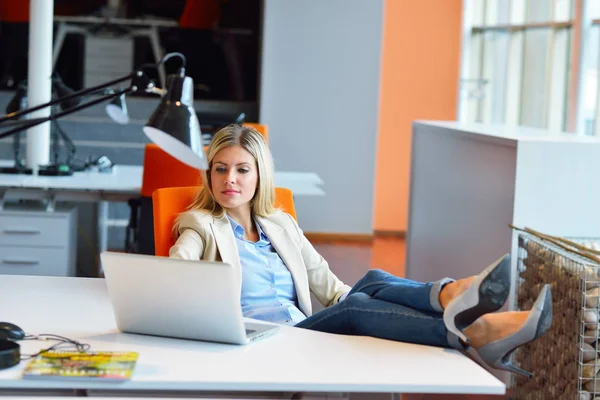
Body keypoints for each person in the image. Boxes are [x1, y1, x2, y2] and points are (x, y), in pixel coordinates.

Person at [169, 124, 553, 379]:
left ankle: (453, 300)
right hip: (257, 342)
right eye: (220, 170)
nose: (229, 180)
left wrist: (373, 297)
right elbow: (174, 278)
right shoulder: (200, 225)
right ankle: (474, 326)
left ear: (260, 174)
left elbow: (330, 288)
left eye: (241, 170)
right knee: (356, 310)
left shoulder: (281, 224)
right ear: (209, 175)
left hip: (299, 330)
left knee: (369, 282)